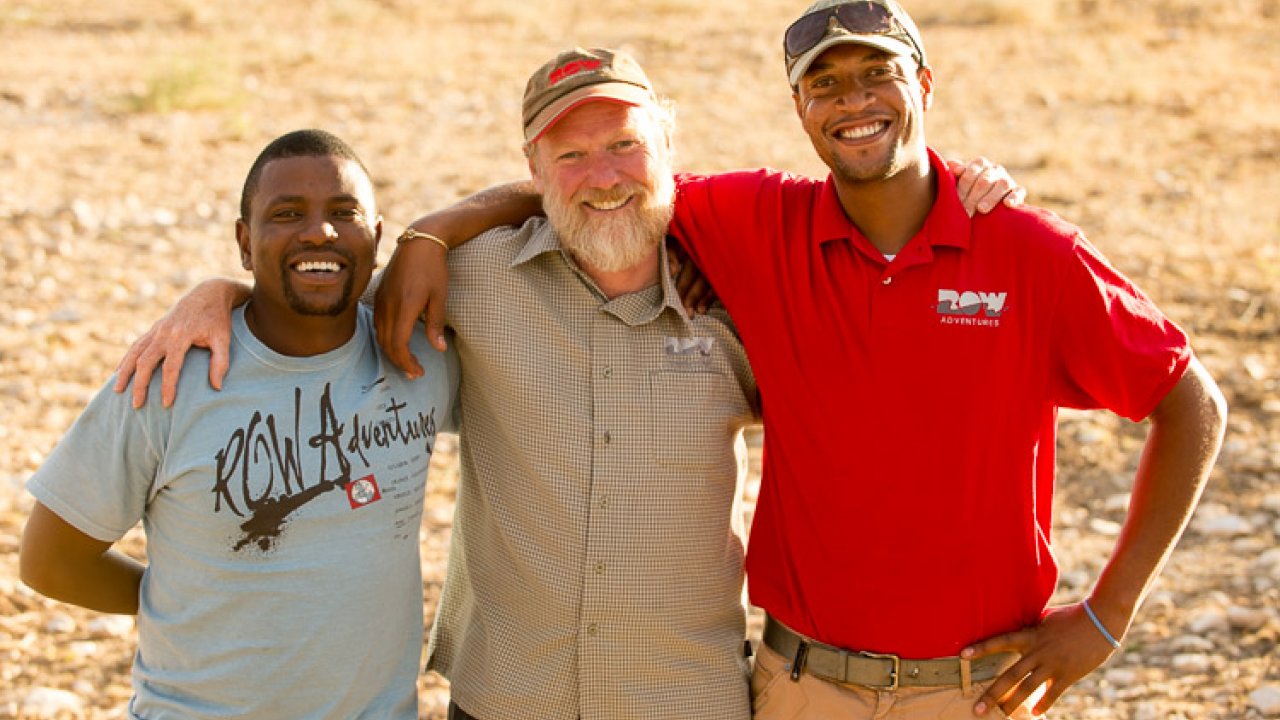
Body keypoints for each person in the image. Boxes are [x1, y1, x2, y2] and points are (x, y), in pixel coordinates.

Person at [110, 51, 1019, 720]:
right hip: (503, 696)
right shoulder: (467, 283)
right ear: (534, 173)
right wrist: (220, 295)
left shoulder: (748, 293)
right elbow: (322, 297)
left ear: (668, 149)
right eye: (570, 158)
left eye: (625, 146)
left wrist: (958, 190)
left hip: (685, 698)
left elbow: (889, 308)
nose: (604, 177)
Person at [376, 6, 1226, 716]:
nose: (851, 101)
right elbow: (598, 187)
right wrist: (431, 231)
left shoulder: (1025, 251)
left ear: (924, 86)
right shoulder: (759, 225)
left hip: (971, 691)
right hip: (799, 686)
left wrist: (1109, 616)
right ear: (798, 106)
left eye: (876, 75)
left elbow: (1189, 399)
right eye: (825, 82)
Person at [19, 129, 458, 720]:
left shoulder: (419, 348)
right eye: (287, 213)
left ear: (378, 239)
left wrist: (439, 228)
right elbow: (50, 560)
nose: (318, 231)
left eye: (344, 212)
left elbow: (551, 197)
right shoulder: (172, 375)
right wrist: (185, 599)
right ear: (244, 243)